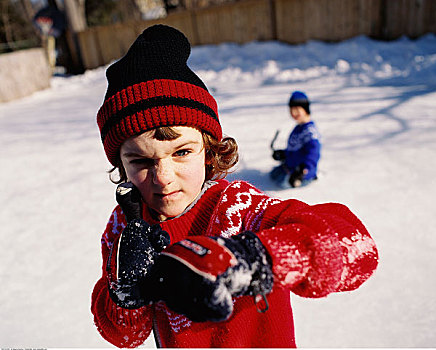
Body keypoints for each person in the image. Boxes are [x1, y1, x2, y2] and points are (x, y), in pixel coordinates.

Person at [91, 24, 378, 348]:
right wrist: (126, 291)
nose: (163, 177)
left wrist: (254, 258)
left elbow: (357, 248)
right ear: (121, 164)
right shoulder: (125, 228)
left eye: (182, 152)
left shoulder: (236, 208)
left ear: (209, 150)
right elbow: (122, 335)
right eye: (141, 162)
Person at [270, 91, 321, 188]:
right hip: (290, 166)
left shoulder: (310, 133)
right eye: (291, 110)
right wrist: (284, 154)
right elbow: (295, 147)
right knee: (274, 175)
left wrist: (303, 170)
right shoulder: (299, 128)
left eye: (297, 110)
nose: (294, 113)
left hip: (301, 174)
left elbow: (313, 154)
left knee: (282, 184)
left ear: (305, 109)